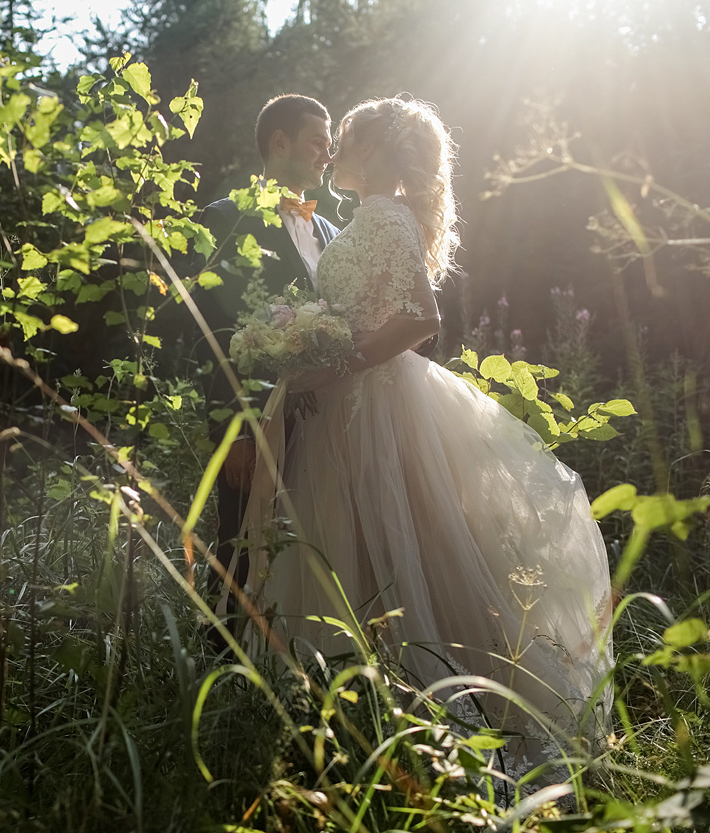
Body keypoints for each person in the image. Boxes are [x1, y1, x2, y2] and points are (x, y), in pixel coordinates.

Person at [257, 97, 613, 777]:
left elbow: (421, 318)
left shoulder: (384, 216)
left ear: (376, 155)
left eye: (347, 140)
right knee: (372, 548)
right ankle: (379, 718)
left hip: (379, 403)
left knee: (405, 551)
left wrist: (338, 361)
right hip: (348, 405)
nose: (334, 152)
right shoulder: (365, 219)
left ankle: (441, 729)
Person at [193, 94, 340, 633]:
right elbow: (213, 334)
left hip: (324, 418)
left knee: (306, 546)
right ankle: (223, 678)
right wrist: (234, 428)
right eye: (317, 142)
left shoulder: (327, 233)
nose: (328, 153)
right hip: (253, 419)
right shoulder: (227, 217)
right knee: (241, 545)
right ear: (279, 142)